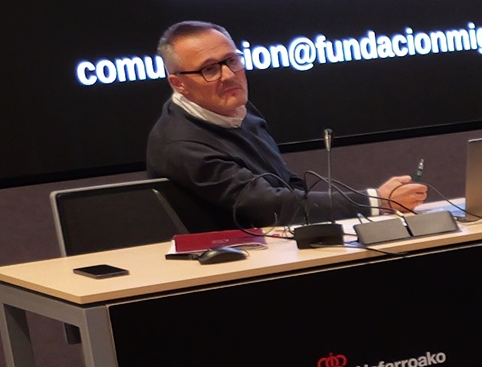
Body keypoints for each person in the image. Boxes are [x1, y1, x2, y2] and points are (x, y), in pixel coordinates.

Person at [144, 22, 428, 229]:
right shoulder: (181, 144)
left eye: (231, 60)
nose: (229, 75)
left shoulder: (234, 106)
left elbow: (285, 183)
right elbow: (269, 205)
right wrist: (375, 201)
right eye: (209, 69)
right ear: (178, 83)